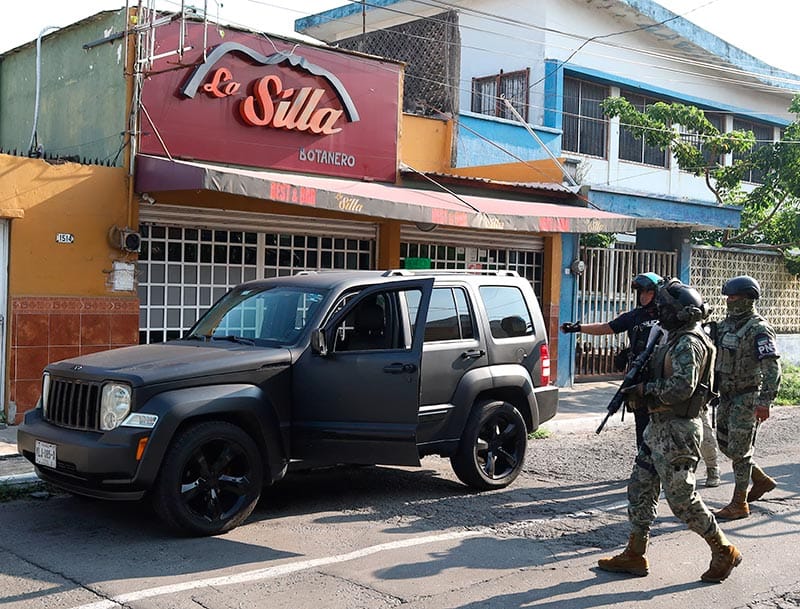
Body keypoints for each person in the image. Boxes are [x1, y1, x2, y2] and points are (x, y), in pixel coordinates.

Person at [597, 278, 741, 583]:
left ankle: (723, 549)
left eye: (664, 307)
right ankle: (635, 553)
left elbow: (681, 388)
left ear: (678, 312)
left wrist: (645, 389)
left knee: (682, 500)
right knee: (640, 487)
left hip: (678, 432)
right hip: (659, 428)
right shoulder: (673, 337)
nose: (659, 311)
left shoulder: (689, 342)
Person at [562, 272, 720, 486]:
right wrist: (579, 328)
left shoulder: (677, 319)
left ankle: (712, 469)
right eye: (640, 292)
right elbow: (608, 327)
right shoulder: (637, 316)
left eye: (648, 291)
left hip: (677, 384)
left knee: (699, 428)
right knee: (646, 427)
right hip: (647, 383)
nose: (643, 296)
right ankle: (648, 470)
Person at [712, 275, 781, 520]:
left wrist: (765, 402)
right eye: (728, 297)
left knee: (740, 450)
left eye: (735, 297)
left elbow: (771, 368)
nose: (729, 301)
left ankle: (739, 503)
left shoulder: (759, 328)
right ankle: (760, 479)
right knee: (725, 443)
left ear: (749, 299)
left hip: (747, 396)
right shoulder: (725, 325)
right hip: (727, 395)